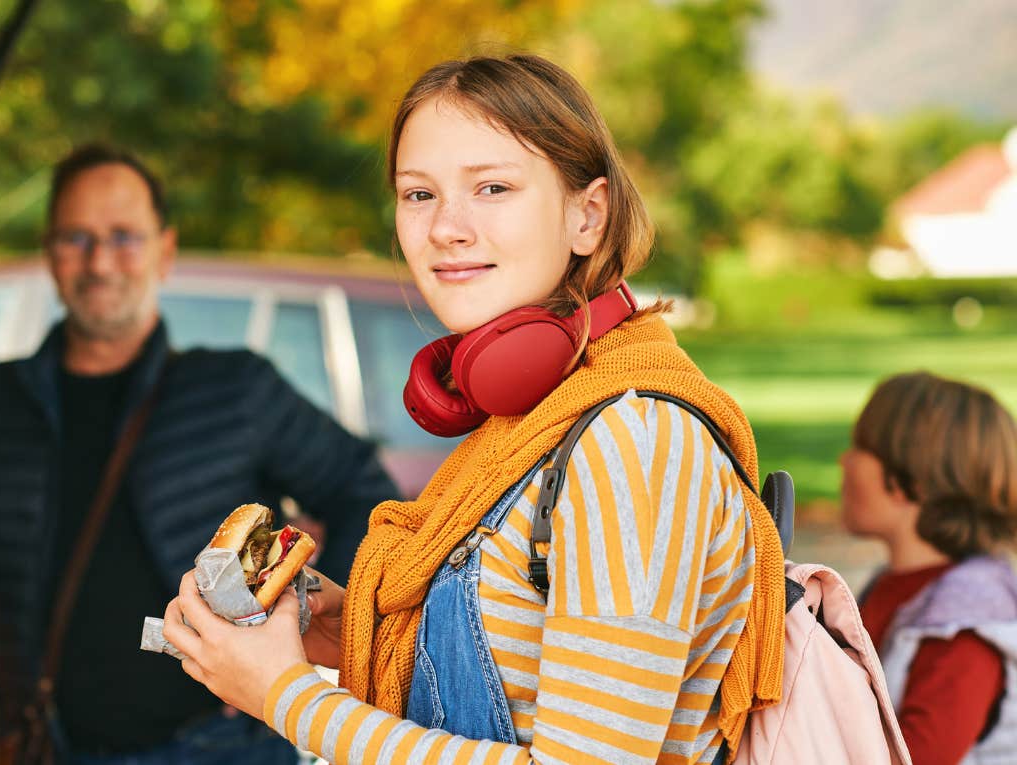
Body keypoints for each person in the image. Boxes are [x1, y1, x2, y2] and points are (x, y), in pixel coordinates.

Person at [161, 54, 787, 764]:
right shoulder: (529, 422)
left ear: (589, 214)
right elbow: (526, 655)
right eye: (418, 194)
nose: (447, 227)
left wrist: (284, 695)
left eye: (492, 187)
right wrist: (337, 627)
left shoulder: (631, 438)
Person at [0, 144, 398, 764]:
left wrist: (297, 630)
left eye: (124, 237)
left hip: (222, 745)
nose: (100, 261)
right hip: (46, 743)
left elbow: (367, 493)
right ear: (49, 252)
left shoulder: (235, 388)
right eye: (77, 237)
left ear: (164, 252)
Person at [842, 371, 1017, 764]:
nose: (844, 460)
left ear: (912, 481)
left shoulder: (963, 624)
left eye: (859, 447)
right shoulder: (892, 586)